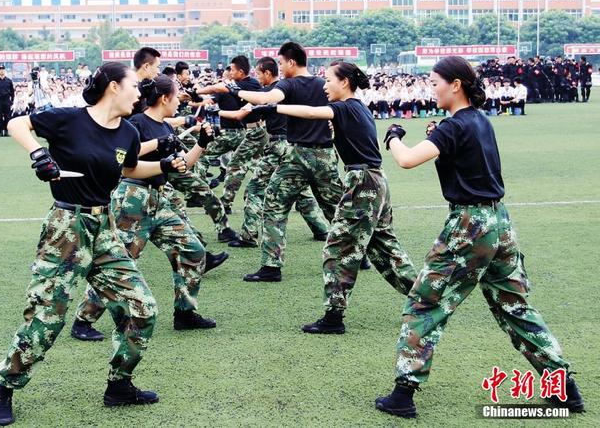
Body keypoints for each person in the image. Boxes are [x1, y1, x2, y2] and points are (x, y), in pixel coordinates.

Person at [374, 56, 584, 418]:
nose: (431, 88)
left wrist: (393, 136)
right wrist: (437, 138)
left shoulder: (454, 126)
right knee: (515, 307)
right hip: (499, 222)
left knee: (424, 304)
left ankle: (403, 394)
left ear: (455, 84)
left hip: (469, 225)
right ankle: (565, 388)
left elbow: (406, 160)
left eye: (435, 81)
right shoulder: (480, 121)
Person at [0, 62, 187, 425]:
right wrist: (38, 154)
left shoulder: (127, 133)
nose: (139, 94)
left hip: (105, 225)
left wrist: (165, 167)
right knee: (47, 316)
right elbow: (18, 124)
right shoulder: (69, 119)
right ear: (113, 86)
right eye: (133, 86)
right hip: (66, 226)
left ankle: (119, 385)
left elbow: (128, 170)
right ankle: (6, 385)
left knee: (143, 308)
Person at [249, 61, 417, 333]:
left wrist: (273, 107)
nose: (324, 86)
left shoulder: (345, 107)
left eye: (328, 80)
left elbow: (313, 112)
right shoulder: (358, 107)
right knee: (385, 248)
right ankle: (428, 298)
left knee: (337, 250)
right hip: (375, 181)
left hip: (363, 183)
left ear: (345, 83)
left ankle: (333, 318)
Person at [71, 75, 219, 343]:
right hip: (133, 201)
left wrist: (202, 144)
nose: (179, 102)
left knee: (193, 251)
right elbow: (123, 157)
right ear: (165, 98)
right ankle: (83, 319)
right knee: (118, 264)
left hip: (159, 199)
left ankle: (185, 312)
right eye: (177, 97)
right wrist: (159, 146)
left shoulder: (166, 127)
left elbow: (182, 166)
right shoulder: (135, 124)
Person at [229, 42, 344, 283]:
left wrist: (234, 90)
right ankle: (357, 254)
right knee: (336, 209)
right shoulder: (324, 84)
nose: (280, 69)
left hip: (298, 156)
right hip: (325, 154)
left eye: (281, 63)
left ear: (291, 62)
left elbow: (267, 98)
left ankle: (271, 266)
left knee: (274, 204)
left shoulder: (288, 84)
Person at [220, 56, 329, 248]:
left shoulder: (273, 91)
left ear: (267, 73)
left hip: (278, 145)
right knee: (301, 192)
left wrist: (233, 93)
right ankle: (322, 229)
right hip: (294, 146)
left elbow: (247, 113)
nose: (257, 77)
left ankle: (249, 235)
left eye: (259, 73)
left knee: (254, 189)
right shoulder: (290, 88)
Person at [197, 55, 267, 214]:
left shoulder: (248, 85)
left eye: (233, 70)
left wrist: (197, 92)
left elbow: (235, 112)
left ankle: (220, 201)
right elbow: (215, 92)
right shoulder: (248, 84)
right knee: (259, 167)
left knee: (236, 166)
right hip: (252, 132)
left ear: (241, 72)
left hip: (253, 132)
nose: (230, 73)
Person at [0, 64, 15, 137]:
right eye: (0, 69)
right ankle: (0, 131)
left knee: (7, 116)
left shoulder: (9, 81)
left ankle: (6, 131)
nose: (1, 71)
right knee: (0, 116)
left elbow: (12, 92)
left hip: (7, 100)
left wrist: (12, 101)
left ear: (5, 70)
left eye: (2, 69)